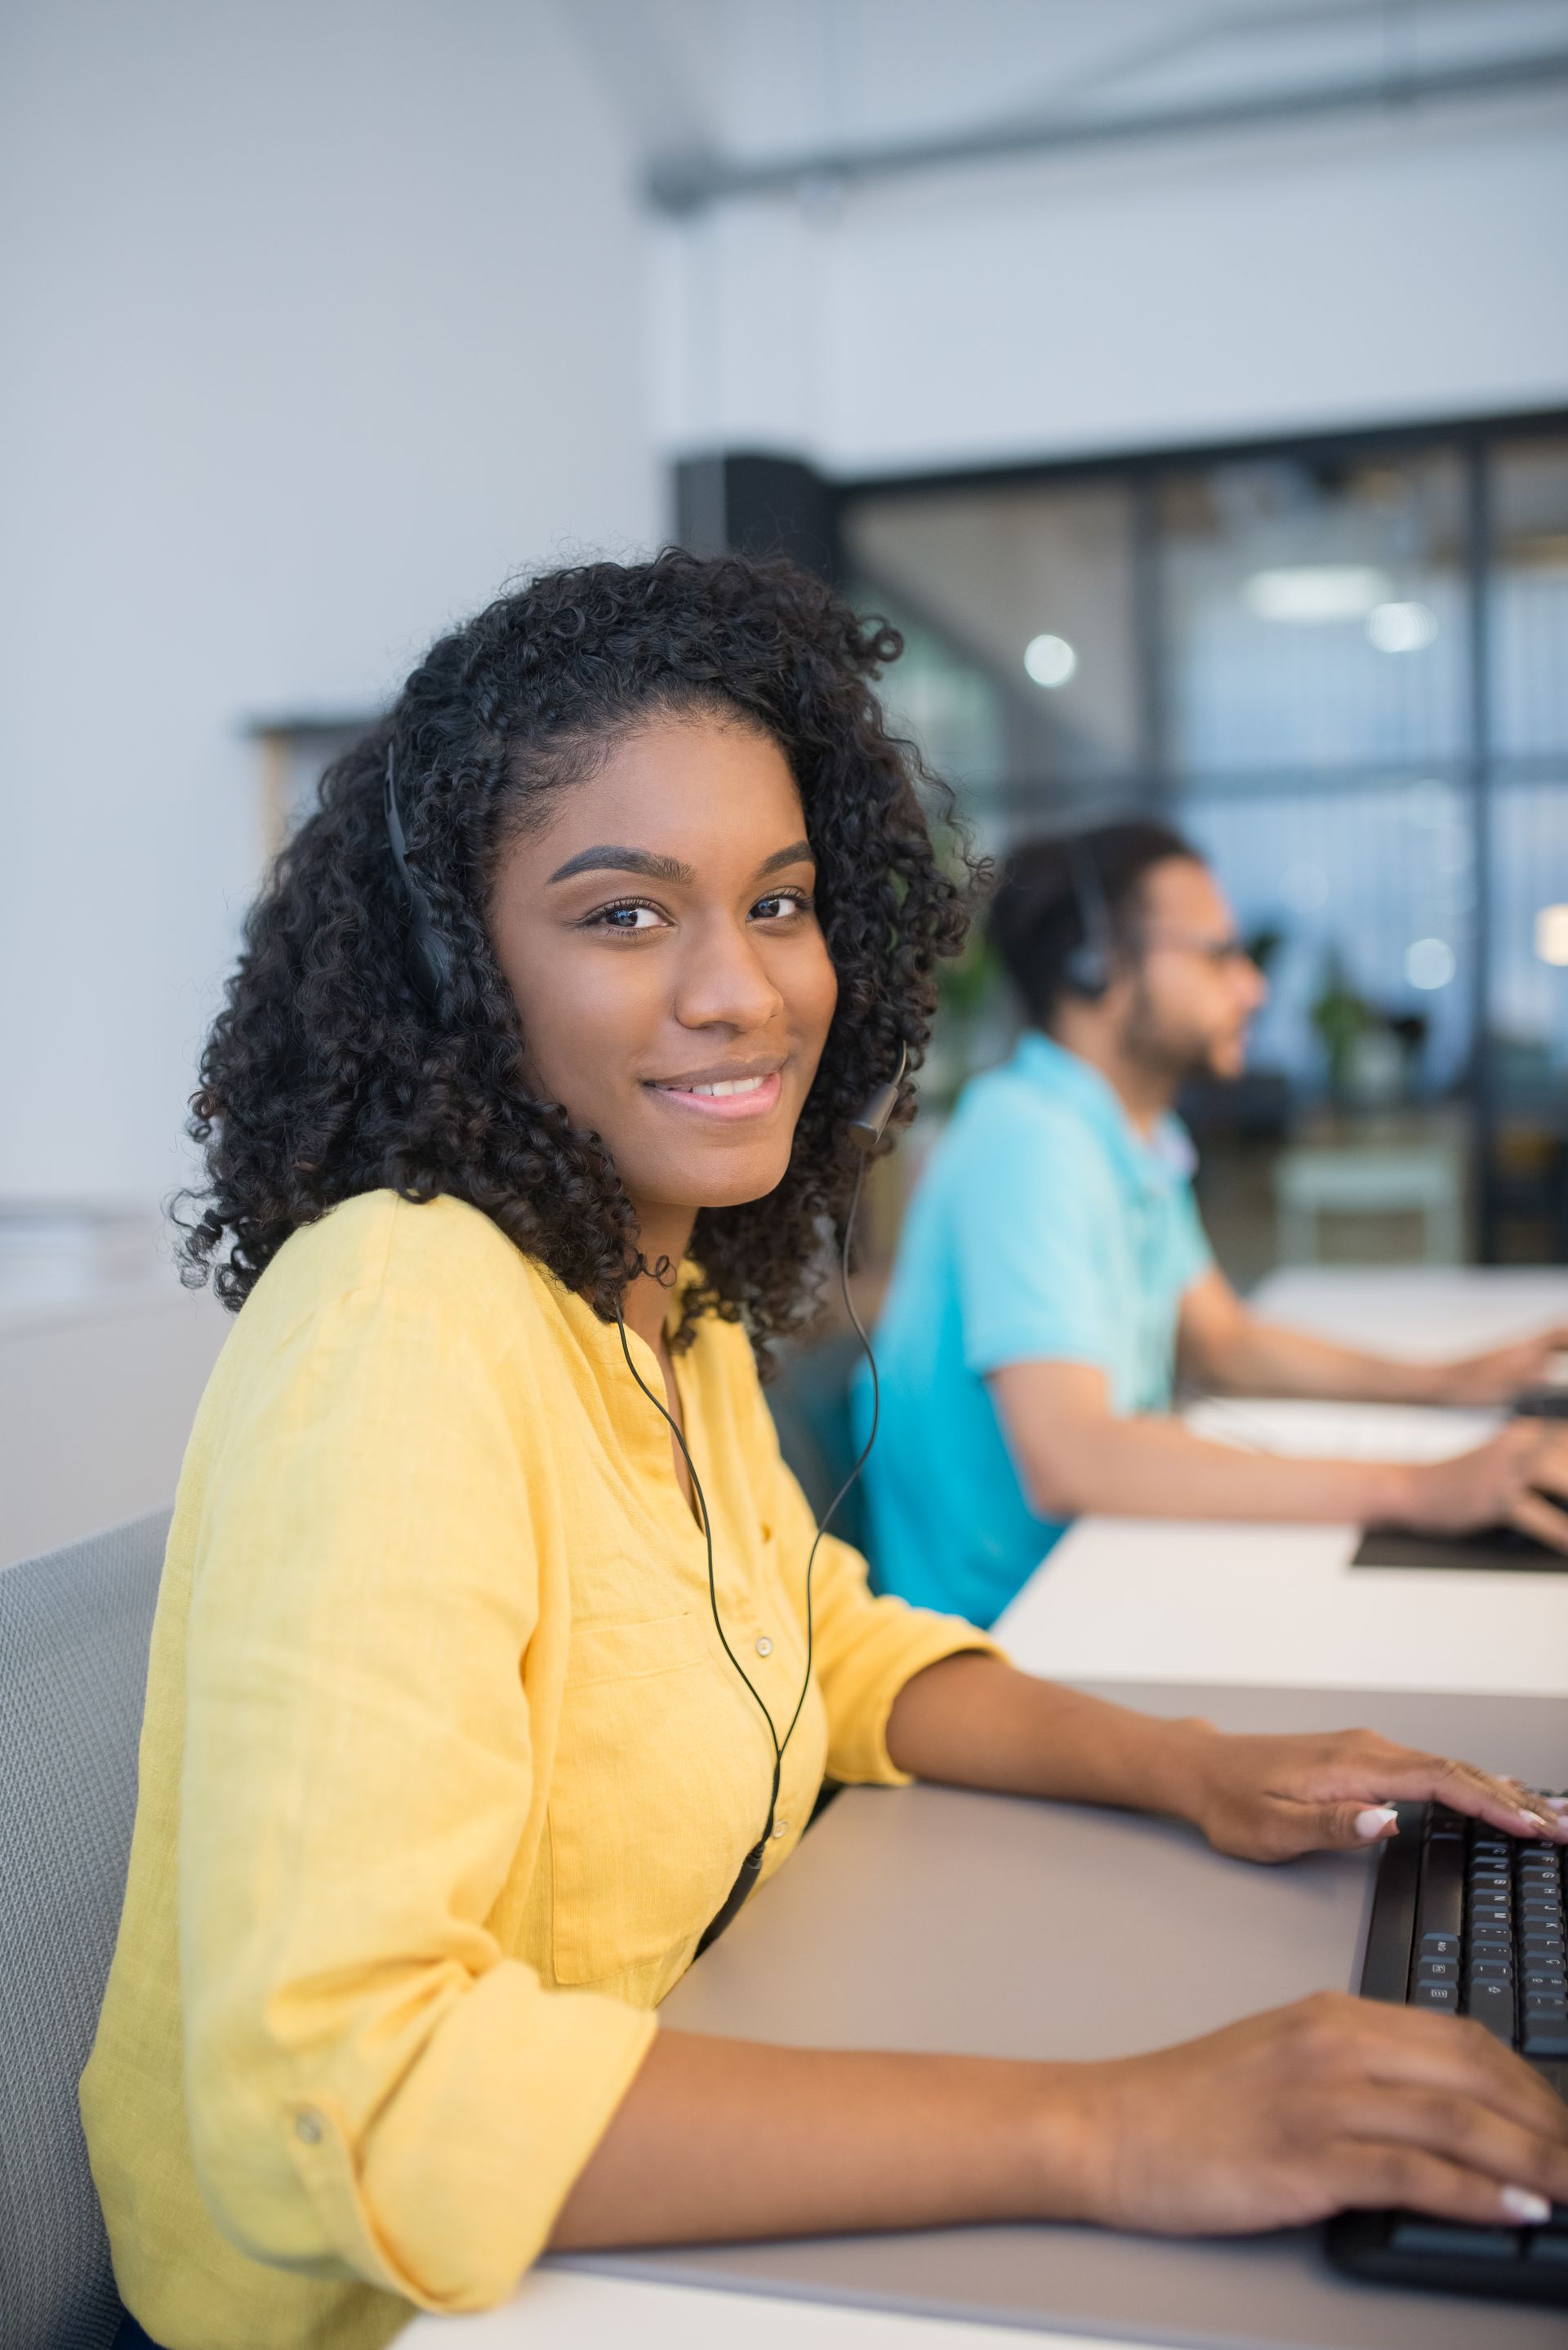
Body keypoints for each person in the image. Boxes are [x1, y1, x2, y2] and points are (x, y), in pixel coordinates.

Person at [82, 560, 1568, 2350]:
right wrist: (1111, 2125)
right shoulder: (400, 1322)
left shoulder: (654, 1284)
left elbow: (823, 1639)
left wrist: (1194, 1767)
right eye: (625, 915)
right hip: (409, 2305)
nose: (743, 990)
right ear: (460, 972)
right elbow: (350, 2088)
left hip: (667, 2137)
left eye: (778, 901)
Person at [864, 820, 1568, 1630]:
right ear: (1098, 965)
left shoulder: (1128, 1134)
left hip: (1099, 1573)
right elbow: (1074, 1457)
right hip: (1020, 1626)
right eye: (1215, 953)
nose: (1253, 988)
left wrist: (1444, 1381)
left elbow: (1221, 1340)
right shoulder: (1029, 1141)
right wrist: (1418, 1487)